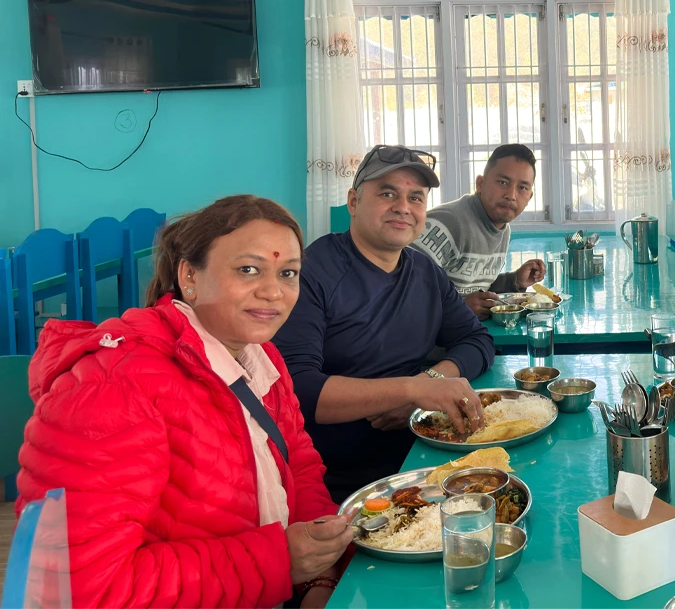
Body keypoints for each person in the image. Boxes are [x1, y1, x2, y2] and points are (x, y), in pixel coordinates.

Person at [16, 196, 354, 608]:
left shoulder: (260, 358)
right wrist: (280, 562)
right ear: (190, 276)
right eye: (248, 269)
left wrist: (318, 578)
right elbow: (83, 589)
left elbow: (297, 468)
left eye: (288, 273)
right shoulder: (115, 385)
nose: (273, 291)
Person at [273, 144, 495, 501]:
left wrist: (428, 382)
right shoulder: (312, 272)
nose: (403, 207)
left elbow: (477, 341)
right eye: (387, 193)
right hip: (335, 483)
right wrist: (410, 391)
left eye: (416, 197)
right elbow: (296, 389)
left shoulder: (425, 272)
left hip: (424, 459)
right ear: (354, 202)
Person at [411, 143, 547, 320]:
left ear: (529, 197)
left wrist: (515, 281)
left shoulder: (502, 229)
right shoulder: (447, 224)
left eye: (522, 187)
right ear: (480, 184)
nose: (511, 195)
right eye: (503, 182)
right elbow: (402, 296)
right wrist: (459, 309)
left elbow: (474, 289)